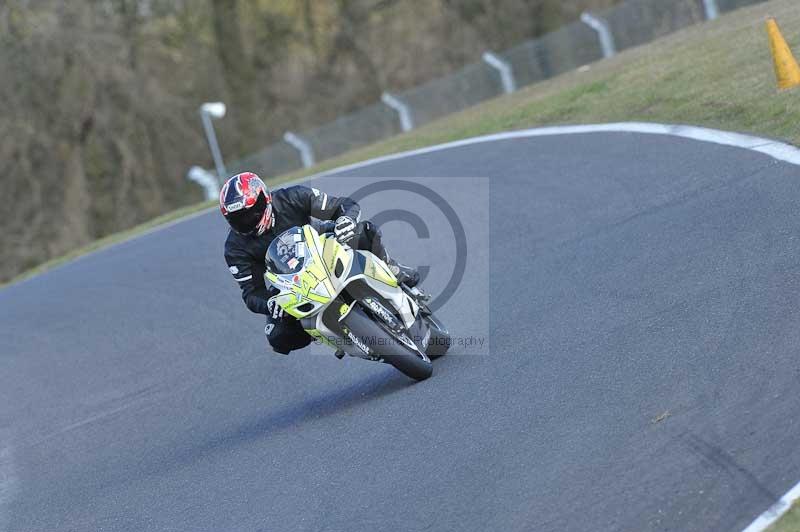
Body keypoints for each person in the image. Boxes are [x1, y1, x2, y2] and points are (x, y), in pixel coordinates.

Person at [221, 172, 419, 355]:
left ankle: (392, 269)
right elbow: (251, 292)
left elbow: (344, 205)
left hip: (322, 245)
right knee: (278, 337)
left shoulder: (293, 197)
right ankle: (327, 332)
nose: (247, 220)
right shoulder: (235, 248)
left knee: (364, 231)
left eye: (251, 212)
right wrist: (270, 303)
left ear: (265, 198)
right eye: (238, 219)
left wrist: (346, 221)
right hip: (289, 281)